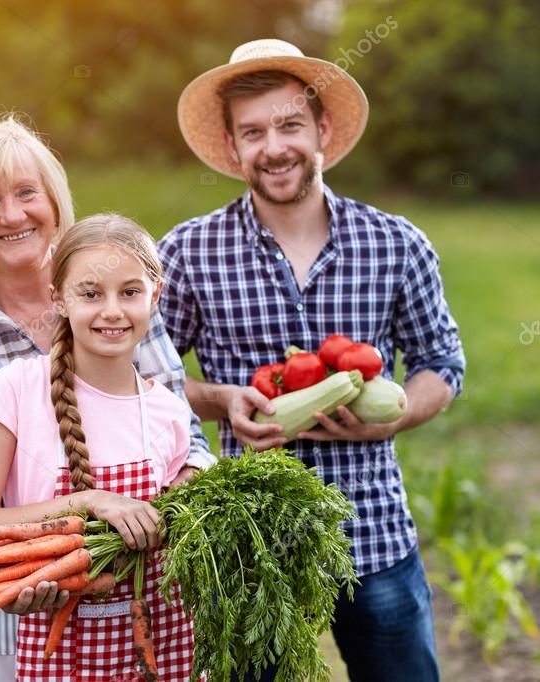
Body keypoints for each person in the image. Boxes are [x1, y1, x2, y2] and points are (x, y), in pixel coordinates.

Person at [158, 39, 465, 681]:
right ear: (233, 144)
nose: (274, 148)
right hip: (251, 543)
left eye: (290, 124)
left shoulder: (396, 243)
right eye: (254, 131)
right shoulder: (189, 252)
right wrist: (220, 399)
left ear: (322, 128)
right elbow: (140, 377)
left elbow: (442, 362)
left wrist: (396, 418)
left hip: (372, 529)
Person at [0, 116, 215, 681]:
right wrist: (34, 568)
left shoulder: (117, 304)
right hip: (1, 595)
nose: (14, 214)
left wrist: (160, 525)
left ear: (54, 201)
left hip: (139, 601)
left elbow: (184, 442)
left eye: (27, 193)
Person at [0, 213, 195, 679]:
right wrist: (89, 501)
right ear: (59, 299)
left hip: (164, 643)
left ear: (156, 296)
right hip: (60, 647)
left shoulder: (167, 409)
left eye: (130, 292)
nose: (112, 311)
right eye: (90, 293)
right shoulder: (17, 391)